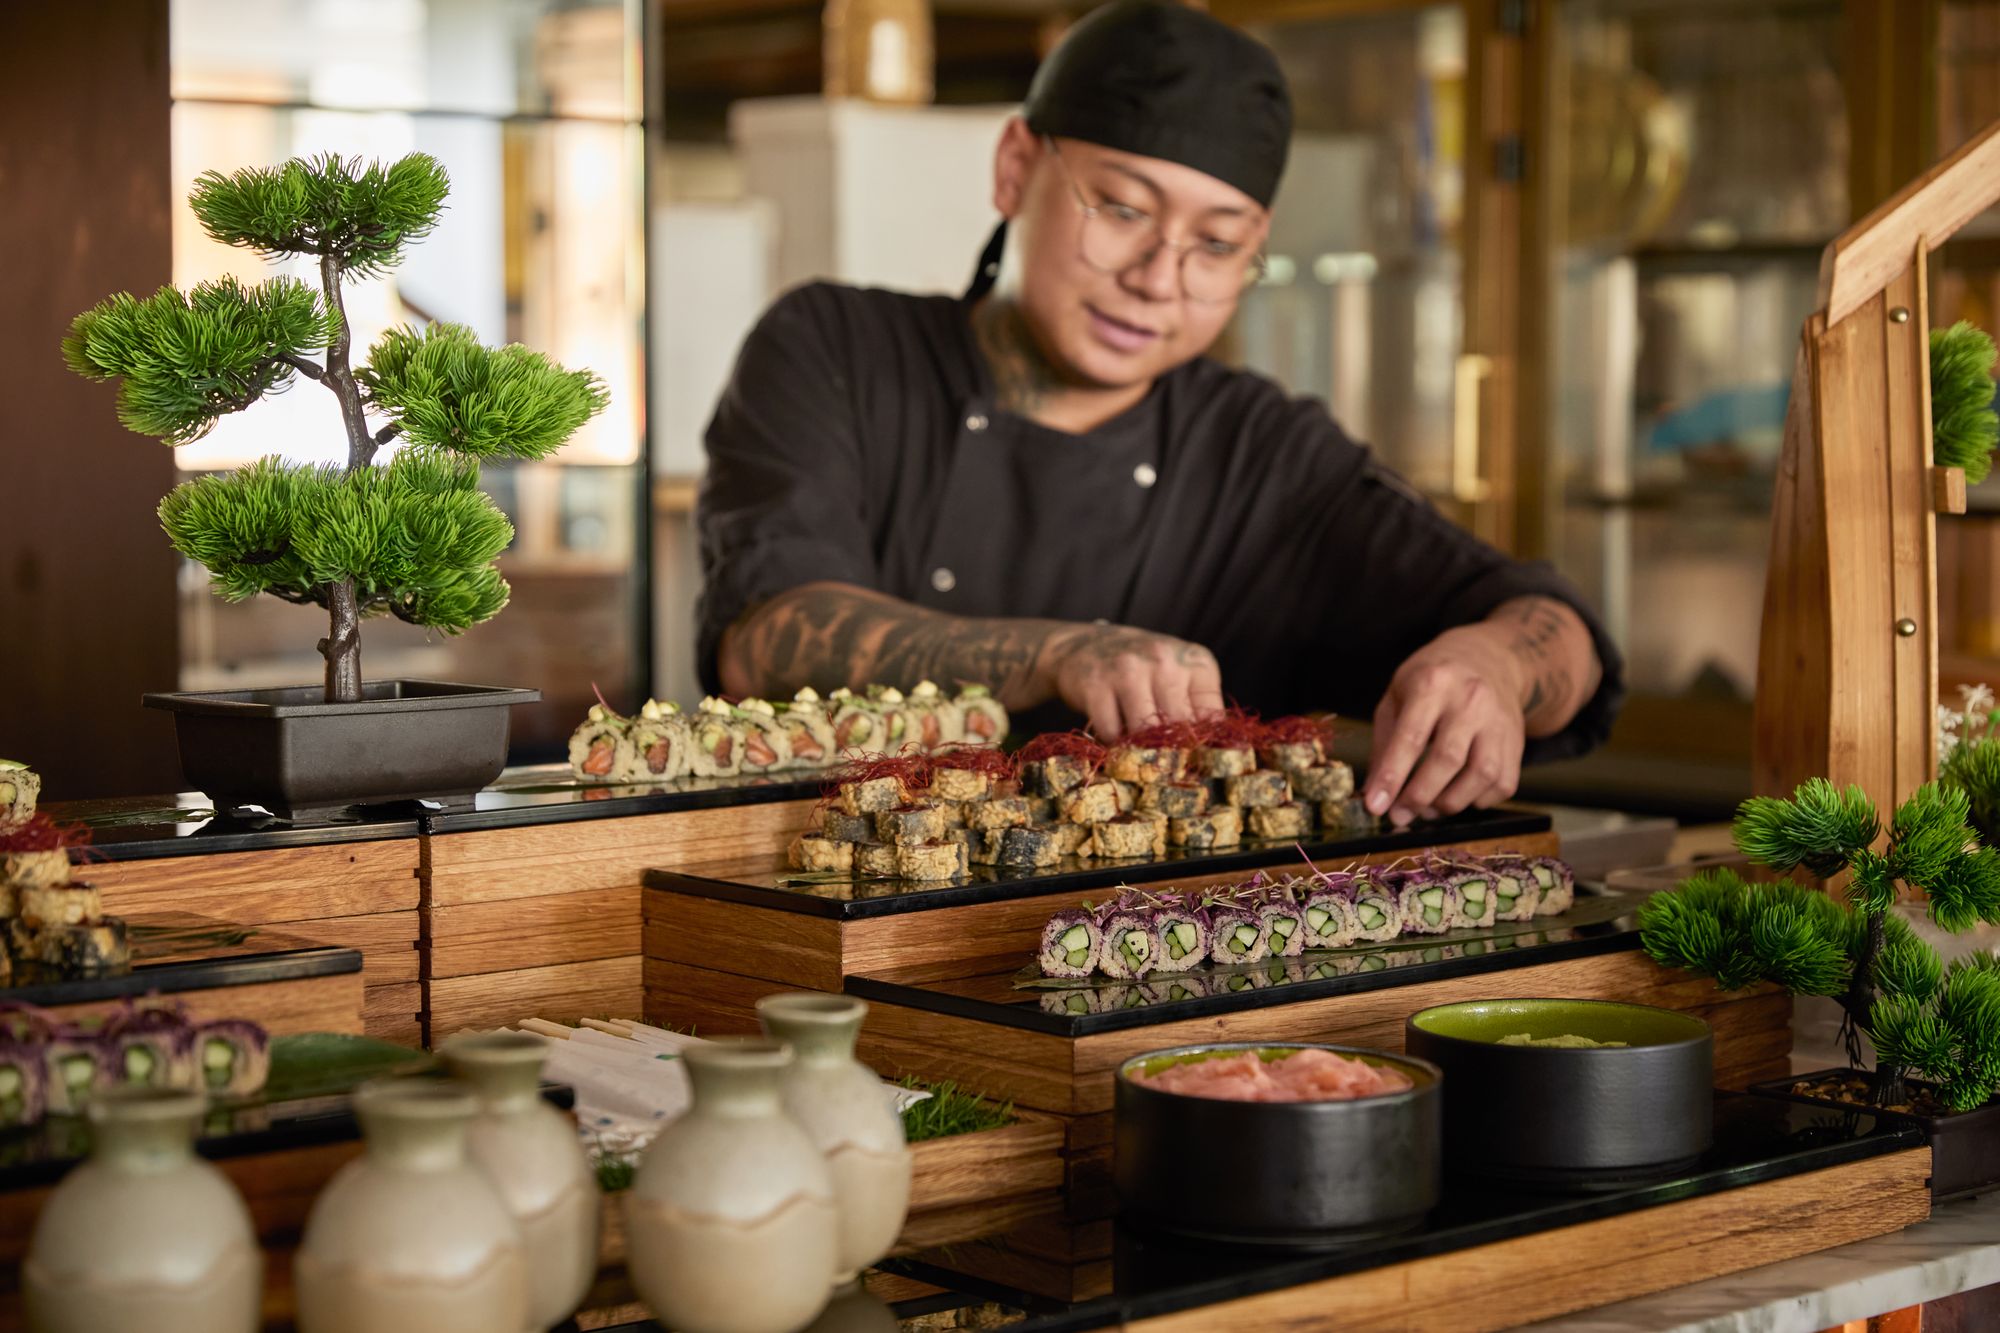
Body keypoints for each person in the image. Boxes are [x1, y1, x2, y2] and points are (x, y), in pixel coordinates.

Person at [696, 0, 1621, 826]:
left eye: (1216, 245)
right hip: (838, 910)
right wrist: (1061, 651)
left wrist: (1496, 668)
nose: (1157, 279)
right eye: (1123, 208)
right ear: (1017, 167)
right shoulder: (837, 349)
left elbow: (1556, 628)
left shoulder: (1265, 453)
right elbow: (767, 637)